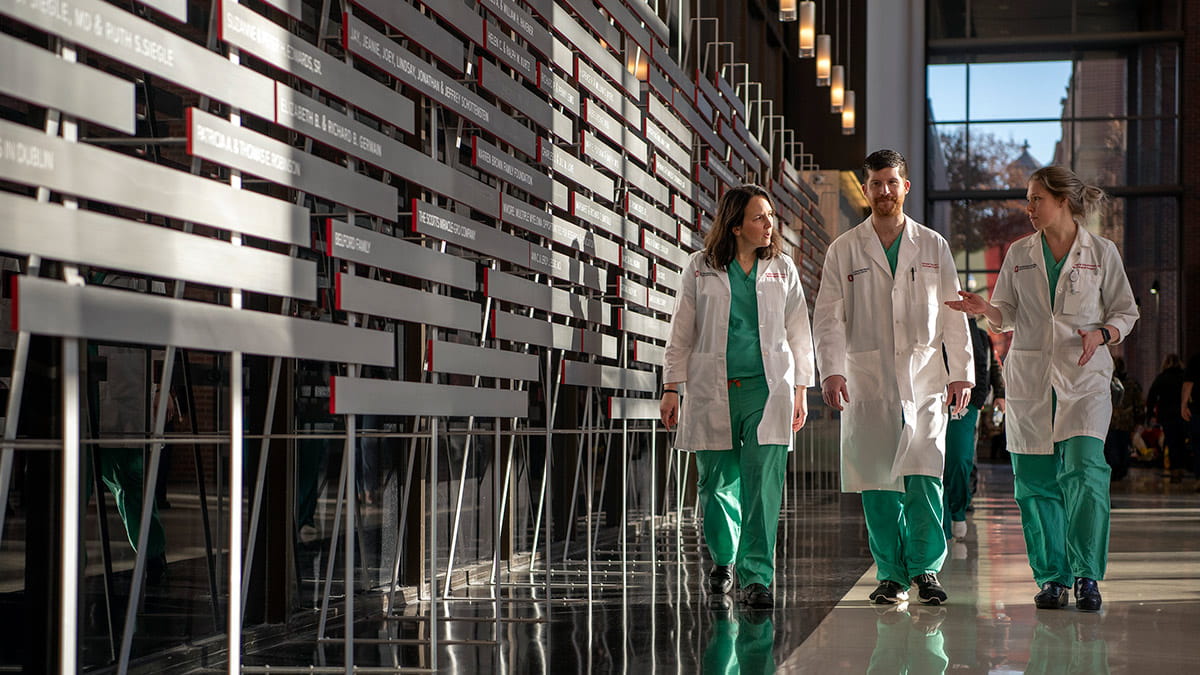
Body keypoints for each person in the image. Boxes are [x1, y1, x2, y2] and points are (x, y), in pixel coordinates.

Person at [946, 165, 1138, 612]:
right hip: (1031, 380)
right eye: (1028, 199)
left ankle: (1087, 574)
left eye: (1036, 199)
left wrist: (1103, 333)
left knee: (1086, 475)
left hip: (1084, 377)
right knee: (1034, 484)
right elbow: (1007, 314)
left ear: (1063, 202)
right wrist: (985, 308)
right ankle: (1053, 578)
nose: (1029, 208)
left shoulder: (1101, 252)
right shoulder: (1020, 253)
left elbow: (1126, 312)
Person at [813, 149, 974, 606]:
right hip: (868, 381)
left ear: (905, 187)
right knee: (877, 485)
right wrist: (832, 371)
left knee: (926, 478)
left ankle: (925, 570)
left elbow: (954, 315)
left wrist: (961, 373)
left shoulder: (933, 246)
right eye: (876, 184)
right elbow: (827, 318)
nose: (884, 191)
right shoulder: (844, 249)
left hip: (924, 380)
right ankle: (890, 575)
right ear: (865, 191)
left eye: (891, 182)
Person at [661, 183, 815, 610]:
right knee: (716, 485)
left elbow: (800, 333)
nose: (769, 225)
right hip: (713, 390)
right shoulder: (699, 267)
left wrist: (802, 388)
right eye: (759, 217)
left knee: (764, 487)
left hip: (768, 392)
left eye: (770, 217)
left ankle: (757, 577)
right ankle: (724, 559)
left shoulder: (782, 268)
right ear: (734, 226)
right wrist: (671, 386)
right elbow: (682, 331)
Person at [943, 322, 1005, 541]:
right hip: (936, 399)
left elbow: (991, 366)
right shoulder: (935, 325)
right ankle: (943, 517)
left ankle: (958, 508)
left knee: (961, 458)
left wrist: (998, 394)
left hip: (967, 403)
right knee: (937, 460)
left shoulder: (979, 335)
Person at [1105, 356, 1143, 481]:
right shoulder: (1132, 384)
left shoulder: (1106, 382)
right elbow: (1138, 403)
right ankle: (1122, 470)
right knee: (1123, 446)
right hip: (1126, 421)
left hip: (1110, 421)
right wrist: (1139, 420)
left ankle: (1115, 470)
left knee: (1112, 448)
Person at [1182, 353, 1200, 482]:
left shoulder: (1196, 359)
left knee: (1198, 445)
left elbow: (1188, 384)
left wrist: (1184, 405)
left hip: (1198, 409)